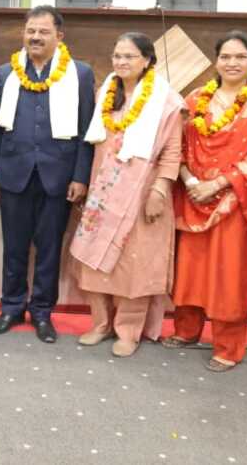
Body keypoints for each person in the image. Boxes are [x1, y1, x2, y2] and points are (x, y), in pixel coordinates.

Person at [164, 31, 247, 371]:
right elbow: (177, 146)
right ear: (216, 61)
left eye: (240, 57)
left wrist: (218, 184)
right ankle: (186, 330)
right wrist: (191, 182)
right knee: (190, 270)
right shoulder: (194, 99)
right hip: (193, 196)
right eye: (226, 57)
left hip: (236, 201)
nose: (232, 63)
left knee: (229, 274)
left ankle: (228, 346)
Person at [0, 6, 95, 343]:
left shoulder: (80, 73)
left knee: (49, 248)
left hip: (58, 175)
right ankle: (12, 307)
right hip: (14, 171)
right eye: (30, 31)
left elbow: (86, 129)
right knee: (14, 246)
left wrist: (80, 176)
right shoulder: (7, 72)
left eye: (43, 32)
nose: (35, 37)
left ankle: (43, 312)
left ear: (59, 36)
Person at [69, 32, 185, 357]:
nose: (121, 62)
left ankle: (128, 331)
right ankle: (101, 324)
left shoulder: (166, 101)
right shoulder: (106, 92)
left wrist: (160, 189)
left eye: (129, 56)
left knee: (134, 265)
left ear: (146, 60)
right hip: (103, 192)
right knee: (93, 259)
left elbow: (173, 152)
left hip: (143, 193)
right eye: (117, 56)